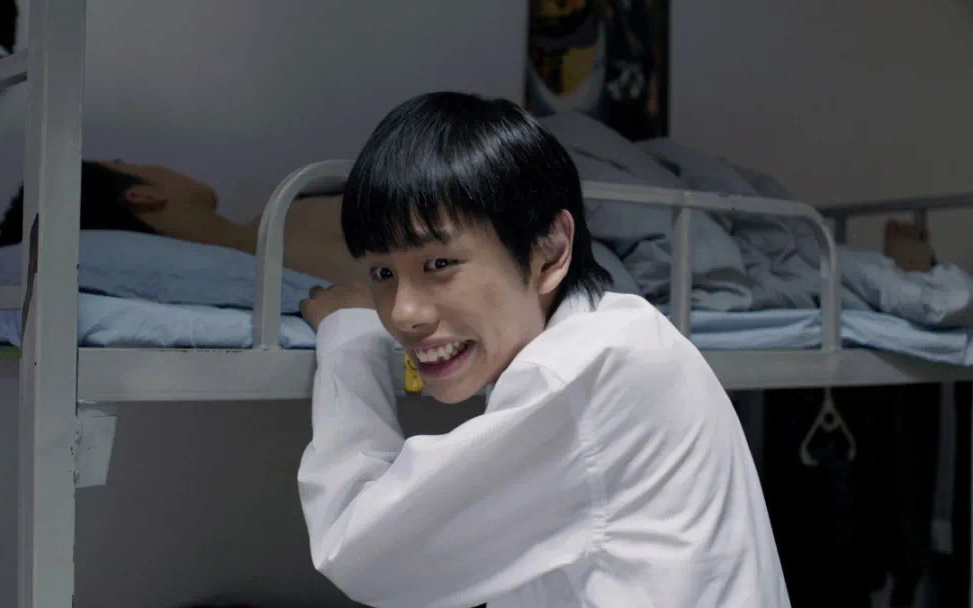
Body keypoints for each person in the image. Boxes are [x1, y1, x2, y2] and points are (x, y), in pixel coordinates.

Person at [295, 92, 789, 607]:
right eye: (381, 273)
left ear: (550, 251)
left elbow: (360, 551)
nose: (402, 314)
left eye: (439, 264)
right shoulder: (619, 337)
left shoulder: (584, 372)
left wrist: (349, 340)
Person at [0, 159, 365, 284]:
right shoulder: (291, 230)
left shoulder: (286, 218)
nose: (153, 164)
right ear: (143, 195)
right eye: (128, 163)